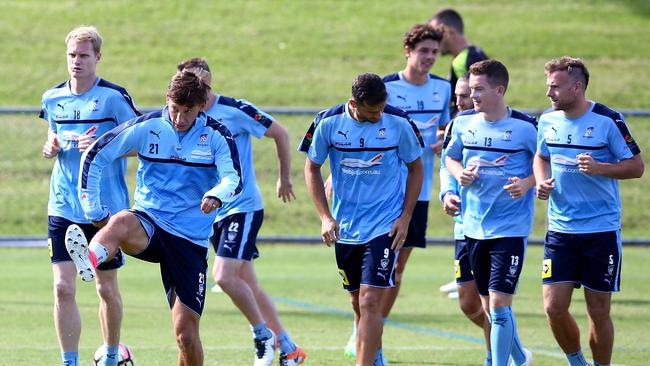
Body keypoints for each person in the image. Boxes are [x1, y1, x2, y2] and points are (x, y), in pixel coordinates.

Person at [65, 69, 243, 366]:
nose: (179, 118)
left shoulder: (216, 135)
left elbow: (233, 178)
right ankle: (90, 259)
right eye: (174, 108)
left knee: (185, 335)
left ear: (202, 106)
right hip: (150, 223)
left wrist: (216, 195)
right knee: (120, 220)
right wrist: (93, 210)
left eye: (188, 111)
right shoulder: (147, 127)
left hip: (189, 240)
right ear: (167, 100)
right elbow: (96, 154)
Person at [176, 58, 306, 366]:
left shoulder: (235, 110)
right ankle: (289, 349)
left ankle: (262, 336)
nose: (192, 91)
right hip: (213, 214)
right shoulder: (185, 118)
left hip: (242, 207)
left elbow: (281, 132)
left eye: (198, 85)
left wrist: (284, 176)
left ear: (208, 84)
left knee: (223, 276)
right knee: (247, 281)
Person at [338, 23, 450, 362]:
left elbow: (448, 126)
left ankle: (372, 335)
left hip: (417, 192)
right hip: (380, 191)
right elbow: (352, 129)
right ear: (408, 52)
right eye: (423, 51)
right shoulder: (384, 88)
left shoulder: (444, 89)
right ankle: (370, 339)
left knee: (396, 270)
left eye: (434, 51)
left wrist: (444, 138)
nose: (429, 57)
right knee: (374, 277)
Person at [301, 73, 424, 366]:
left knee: (370, 302)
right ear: (353, 104)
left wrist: (406, 217)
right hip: (346, 227)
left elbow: (416, 169)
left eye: (381, 109)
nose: (378, 115)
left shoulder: (399, 122)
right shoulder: (327, 123)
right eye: (372, 112)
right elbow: (312, 168)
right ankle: (375, 355)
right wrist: (325, 217)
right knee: (357, 303)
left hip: (385, 225)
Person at [534, 57, 644, 366]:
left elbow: (636, 167)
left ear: (577, 87)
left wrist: (600, 168)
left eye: (555, 87)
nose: (549, 93)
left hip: (601, 231)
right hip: (560, 231)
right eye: (548, 87)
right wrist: (542, 182)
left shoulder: (608, 120)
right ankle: (577, 361)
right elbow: (541, 156)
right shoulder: (547, 120)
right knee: (554, 307)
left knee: (598, 310)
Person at [40, 25, 139, 366]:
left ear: (97, 57)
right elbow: (52, 134)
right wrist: (50, 145)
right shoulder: (52, 98)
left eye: (83, 55)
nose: (76, 61)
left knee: (105, 289)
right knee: (62, 288)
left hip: (103, 208)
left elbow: (139, 144)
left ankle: (111, 357)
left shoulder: (114, 97)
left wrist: (103, 146)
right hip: (63, 204)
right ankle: (69, 362)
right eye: (71, 55)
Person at [444, 60, 534, 366]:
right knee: (486, 307)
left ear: (500, 90)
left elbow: (547, 164)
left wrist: (528, 183)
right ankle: (519, 356)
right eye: (471, 89)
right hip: (472, 227)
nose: (473, 95)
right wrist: (458, 176)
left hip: (510, 229)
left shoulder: (526, 128)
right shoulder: (462, 123)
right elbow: (450, 158)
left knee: (497, 305)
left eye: (479, 89)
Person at [439, 73, 493, 365]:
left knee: (491, 302)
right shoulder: (456, 125)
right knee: (468, 302)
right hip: (464, 225)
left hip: (497, 228)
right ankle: (511, 347)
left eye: (465, 95)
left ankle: (493, 356)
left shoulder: (504, 125)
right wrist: (448, 194)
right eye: (457, 97)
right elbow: (446, 166)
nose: (460, 102)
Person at [429, 8, 488, 113]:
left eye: (436, 34)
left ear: (448, 32)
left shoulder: (462, 62)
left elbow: (476, 100)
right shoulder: (477, 53)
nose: (434, 40)